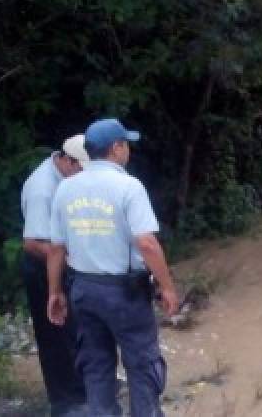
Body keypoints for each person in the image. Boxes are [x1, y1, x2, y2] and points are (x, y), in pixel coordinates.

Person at [46, 118, 179, 417]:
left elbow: (56, 247)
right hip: (125, 293)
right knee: (142, 364)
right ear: (116, 148)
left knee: (96, 365)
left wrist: (55, 292)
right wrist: (167, 286)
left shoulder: (66, 189)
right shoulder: (128, 186)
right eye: (126, 144)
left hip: (82, 290)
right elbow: (146, 243)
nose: (128, 149)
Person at [20, 135, 89, 416]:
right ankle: (65, 402)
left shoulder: (66, 177)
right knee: (55, 334)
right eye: (83, 167)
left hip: (63, 262)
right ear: (68, 160)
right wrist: (69, 260)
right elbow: (33, 242)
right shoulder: (42, 188)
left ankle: (83, 388)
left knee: (75, 329)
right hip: (41, 266)